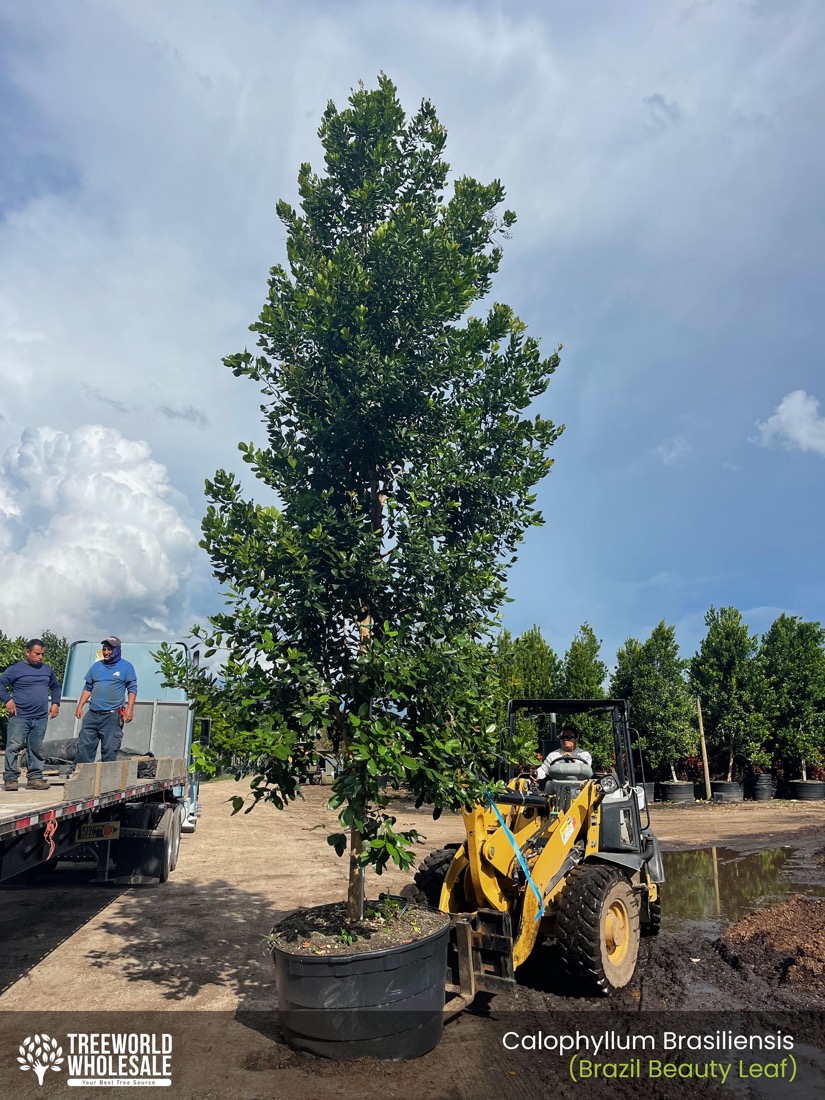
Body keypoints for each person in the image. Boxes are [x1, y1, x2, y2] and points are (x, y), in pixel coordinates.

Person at [1, 638, 62, 792]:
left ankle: (35, 778)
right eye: (37, 654)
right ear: (27, 652)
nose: (40, 657)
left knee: (36, 748)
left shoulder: (47, 669)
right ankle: (10, 778)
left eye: (42, 654)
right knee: (13, 747)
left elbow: (55, 687)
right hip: (20, 716)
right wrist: (7, 700)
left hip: (40, 717)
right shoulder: (16, 669)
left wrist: (55, 703)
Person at [74, 637, 137, 764]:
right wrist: (80, 706)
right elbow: (88, 688)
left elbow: (132, 689)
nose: (106, 652)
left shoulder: (126, 667)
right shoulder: (96, 667)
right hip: (93, 714)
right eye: (104, 649)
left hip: (112, 716)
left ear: (118, 650)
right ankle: (82, 777)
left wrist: (130, 709)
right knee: (84, 747)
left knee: (109, 749)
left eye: (110, 649)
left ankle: (106, 780)